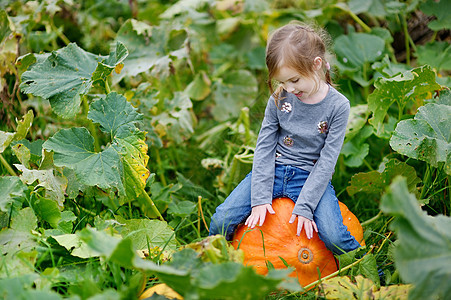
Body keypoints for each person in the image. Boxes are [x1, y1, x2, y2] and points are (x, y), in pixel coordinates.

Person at [209, 22, 361, 255]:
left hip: (309, 178)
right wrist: (260, 198)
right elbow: (264, 148)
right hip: (274, 169)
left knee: (334, 235)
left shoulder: (338, 106)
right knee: (222, 220)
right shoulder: (280, 99)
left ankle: (372, 271)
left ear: (316, 64)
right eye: (282, 82)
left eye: (294, 80)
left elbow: (327, 161)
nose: (288, 89)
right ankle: (214, 260)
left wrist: (305, 206)